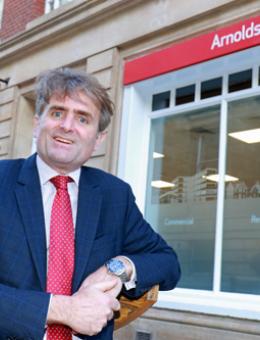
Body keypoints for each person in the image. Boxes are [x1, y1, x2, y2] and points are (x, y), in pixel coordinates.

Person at [0, 68, 180, 340]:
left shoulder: (114, 194)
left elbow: (167, 263)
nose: (67, 126)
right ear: (38, 123)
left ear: (98, 138)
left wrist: (118, 267)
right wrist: (63, 309)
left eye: (82, 118)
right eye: (57, 112)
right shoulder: (2, 181)